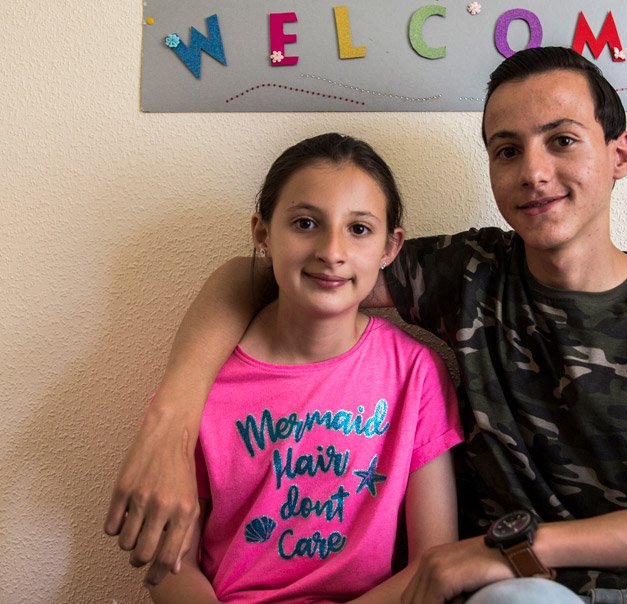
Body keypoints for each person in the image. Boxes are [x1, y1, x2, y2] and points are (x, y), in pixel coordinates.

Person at [110, 48, 627, 603]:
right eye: (505, 149)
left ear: (620, 154)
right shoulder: (467, 275)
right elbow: (256, 277)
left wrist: (537, 545)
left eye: (562, 141)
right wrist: (171, 422)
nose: (533, 171)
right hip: (519, 595)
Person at [142, 133, 464, 604]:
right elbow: (169, 566)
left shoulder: (415, 375)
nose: (331, 251)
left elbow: (434, 564)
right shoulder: (202, 381)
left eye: (359, 229)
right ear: (262, 233)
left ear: (391, 247)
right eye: (306, 223)